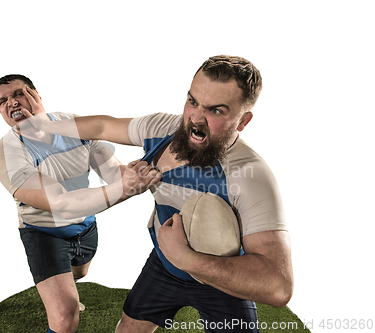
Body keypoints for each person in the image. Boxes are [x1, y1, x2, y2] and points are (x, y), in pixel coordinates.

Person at [28, 55, 294, 333]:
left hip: (222, 280)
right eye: (192, 101)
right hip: (165, 267)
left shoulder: (250, 176)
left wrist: (185, 258)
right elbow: (104, 127)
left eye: (216, 111)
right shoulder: (161, 130)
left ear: (243, 121)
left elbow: (278, 286)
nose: (195, 119)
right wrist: (44, 125)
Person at [0, 74, 161, 333]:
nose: (12, 103)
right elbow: (60, 203)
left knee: (80, 274)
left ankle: (63, 283)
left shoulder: (75, 125)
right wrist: (125, 188)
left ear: (36, 94)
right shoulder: (8, 153)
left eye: (18, 94)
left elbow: (114, 174)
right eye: (2, 101)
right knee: (64, 318)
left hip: (85, 226)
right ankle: (58, 294)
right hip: (43, 233)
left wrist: (144, 171)